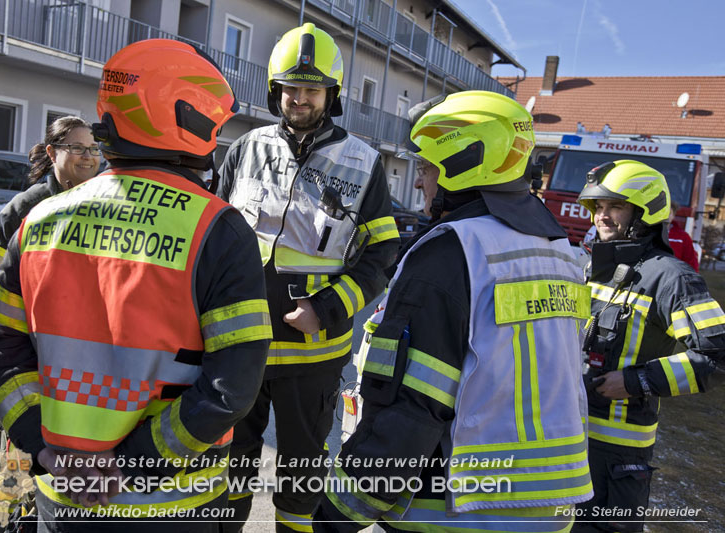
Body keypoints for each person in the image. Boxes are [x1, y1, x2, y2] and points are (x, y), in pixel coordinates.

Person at [0, 39, 273, 532]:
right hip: (172, 505)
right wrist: (129, 464)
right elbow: (232, 385)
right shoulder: (217, 228)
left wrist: (43, 447)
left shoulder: (41, 219)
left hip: (62, 496)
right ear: (188, 118)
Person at [314, 90, 593, 532]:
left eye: (426, 167)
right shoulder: (559, 251)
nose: (420, 181)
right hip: (551, 507)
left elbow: (413, 406)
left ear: (463, 164)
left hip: (459, 510)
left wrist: (342, 509)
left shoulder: (453, 253)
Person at [217, 23, 399, 532]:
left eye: (311, 89)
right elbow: (214, 233)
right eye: (291, 87)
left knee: (301, 471)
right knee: (229, 464)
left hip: (313, 351)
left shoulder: (363, 162)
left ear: (331, 94)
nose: (299, 98)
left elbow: (383, 252)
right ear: (276, 89)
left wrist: (328, 308)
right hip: (241, 341)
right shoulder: (245, 147)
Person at [573, 160, 725, 532]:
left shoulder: (672, 278)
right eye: (598, 208)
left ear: (645, 212)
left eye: (615, 207)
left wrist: (637, 380)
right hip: (565, 437)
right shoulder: (589, 267)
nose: (602, 217)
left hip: (615, 458)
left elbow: (717, 355)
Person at [0, 116, 101, 332]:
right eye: (77, 148)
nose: (88, 156)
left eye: (94, 148)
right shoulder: (26, 207)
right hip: (31, 347)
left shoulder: (107, 207)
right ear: (52, 152)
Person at [667, 200, 699, 271]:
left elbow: (691, 261)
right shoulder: (649, 233)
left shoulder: (683, 237)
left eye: (669, 213)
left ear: (674, 216)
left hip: (673, 276)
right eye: (663, 212)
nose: (666, 215)